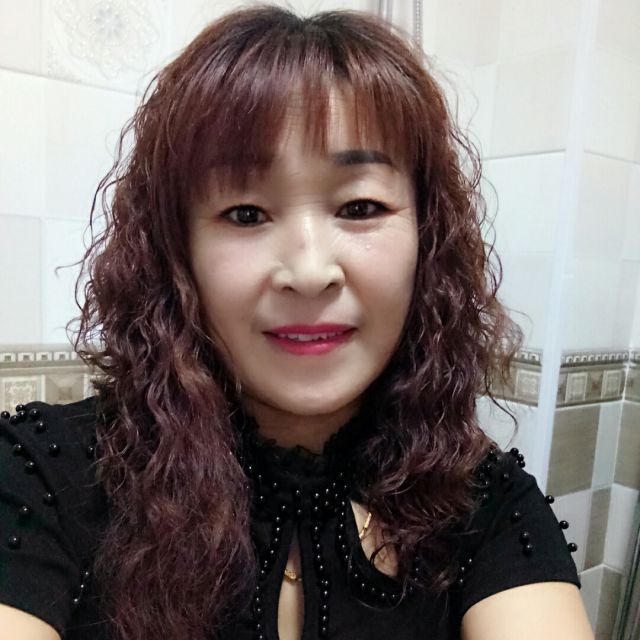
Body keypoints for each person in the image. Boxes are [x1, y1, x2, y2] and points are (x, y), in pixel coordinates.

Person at [0, 5, 594, 640]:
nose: (310, 272)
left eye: (360, 207)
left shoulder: (486, 503)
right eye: (246, 213)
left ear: (427, 239)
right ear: (177, 252)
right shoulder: (42, 477)